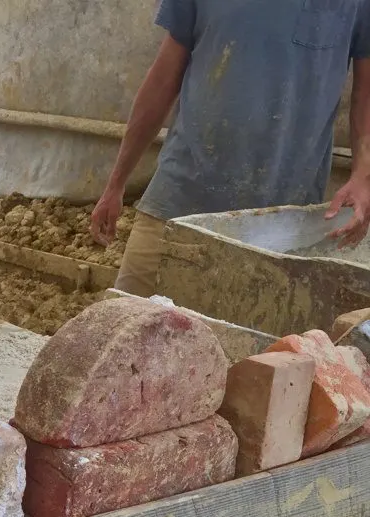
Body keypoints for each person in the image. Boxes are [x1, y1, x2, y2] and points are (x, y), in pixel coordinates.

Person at [91, 0, 370, 298]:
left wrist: (363, 176)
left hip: (280, 229)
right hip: (178, 205)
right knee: (125, 325)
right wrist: (116, 183)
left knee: (254, 341)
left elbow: (366, 92)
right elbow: (161, 80)